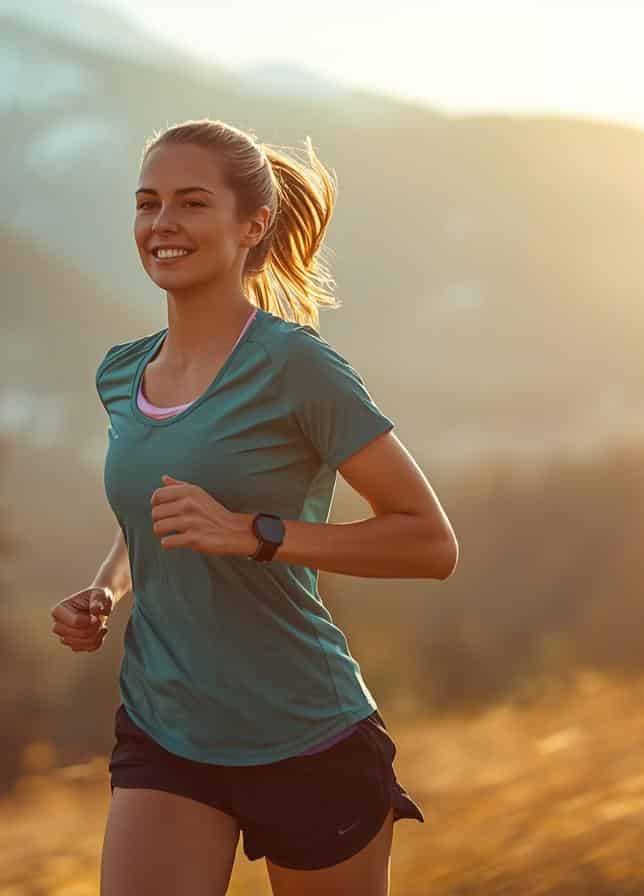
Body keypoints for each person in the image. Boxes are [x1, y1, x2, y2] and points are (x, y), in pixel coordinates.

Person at [50, 118, 458, 896]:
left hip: (304, 732)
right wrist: (105, 589)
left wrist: (257, 534)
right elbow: (155, 514)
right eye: (147, 202)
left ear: (253, 224)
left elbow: (430, 543)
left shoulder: (296, 367)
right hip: (165, 726)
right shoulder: (122, 374)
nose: (163, 223)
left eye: (192, 202)